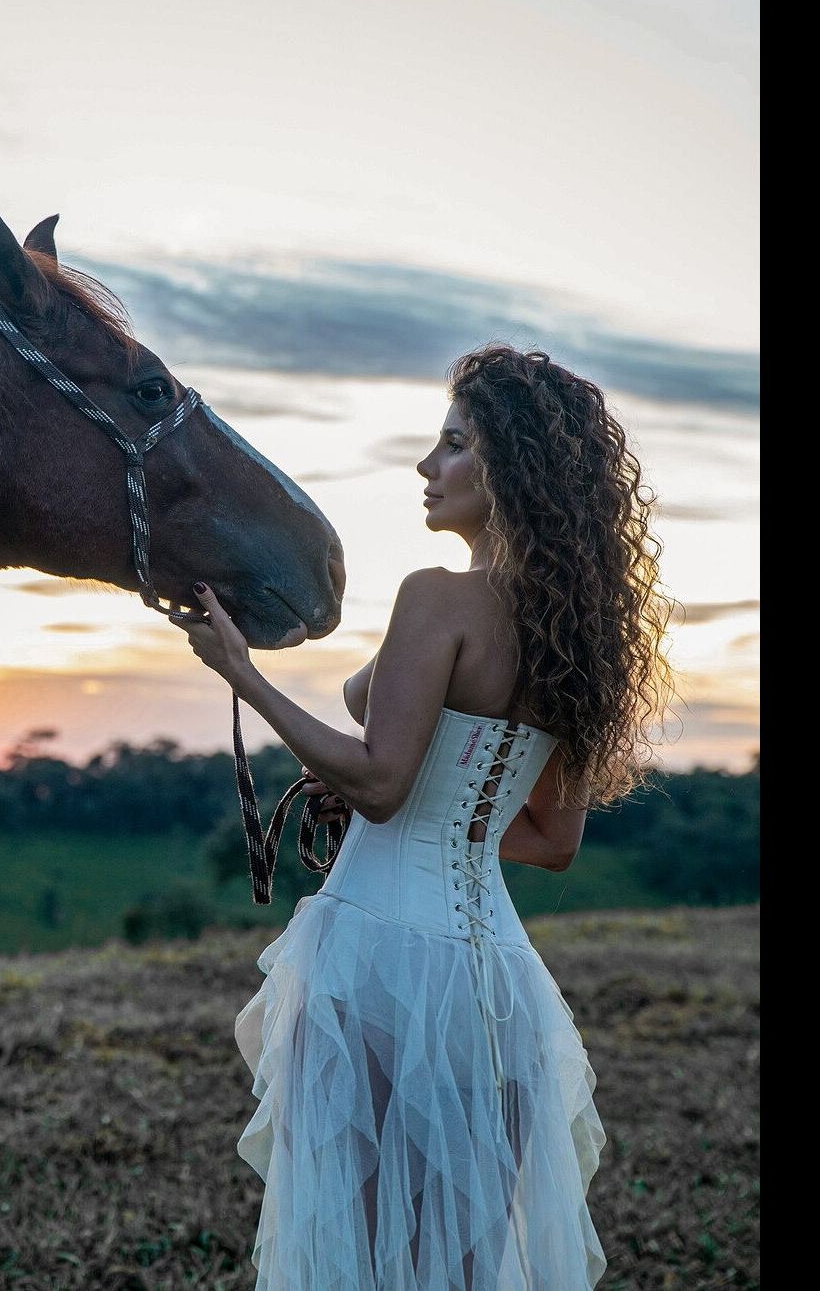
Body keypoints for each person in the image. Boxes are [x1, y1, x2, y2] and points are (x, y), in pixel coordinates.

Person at [169, 344, 676, 1289]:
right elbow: (552, 842)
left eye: (452, 445)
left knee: (359, 1255)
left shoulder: (436, 598)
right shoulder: (576, 636)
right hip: (504, 994)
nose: (425, 467)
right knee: (468, 1265)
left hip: (380, 964)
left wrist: (244, 674)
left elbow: (383, 779)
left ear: (509, 470)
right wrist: (407, 814)